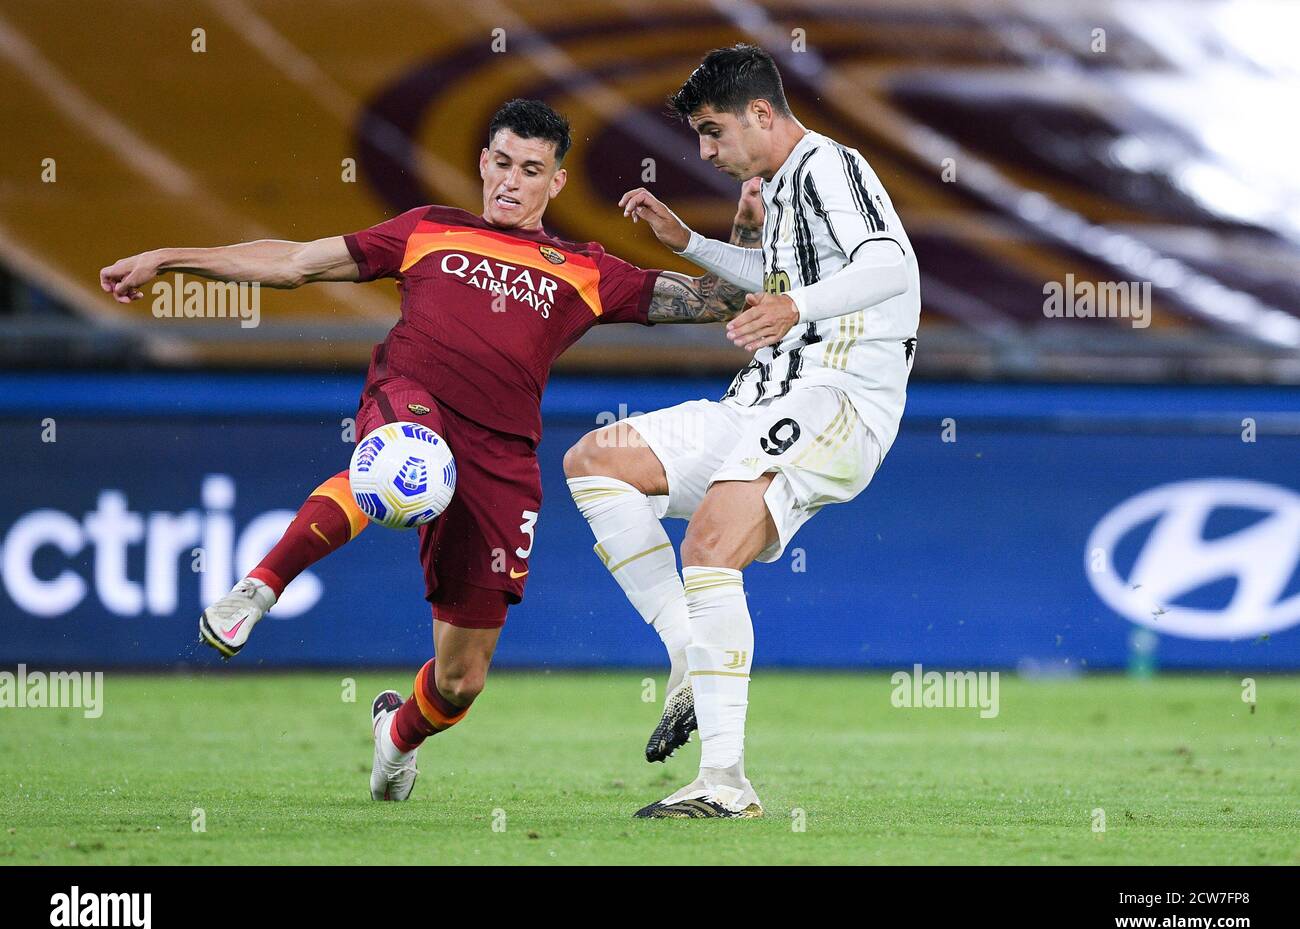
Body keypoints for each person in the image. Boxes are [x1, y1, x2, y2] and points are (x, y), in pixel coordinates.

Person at [98, 99, 755, 803]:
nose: (511, 181)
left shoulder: (583, 269)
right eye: (501, 163)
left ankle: (397, 735)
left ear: (555, 183)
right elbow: (292, 263)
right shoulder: (428, 230)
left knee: (459, 681)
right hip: (413, 400)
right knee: (401, 456)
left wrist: (732, 224)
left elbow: (715, 300)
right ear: (482, 162)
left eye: (531, 170)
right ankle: (260, 586)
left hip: (500, 463)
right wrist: (170, 259)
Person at [563, 45, 922, 818]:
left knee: (711, 543)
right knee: (598, 460)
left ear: (762, 114)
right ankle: (689, 651)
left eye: (713, 132)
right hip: (762, 399)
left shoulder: (831, 166)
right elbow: (785, 277)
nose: (706, 152)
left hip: (836, 398)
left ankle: (724, 783)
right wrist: (688, 245)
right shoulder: (784, 186)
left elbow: (890, 265)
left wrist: (795, 311)